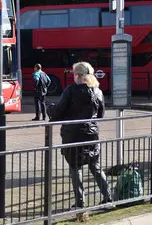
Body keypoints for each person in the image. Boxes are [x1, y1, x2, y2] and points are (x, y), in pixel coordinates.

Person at [48, 62, 112, 213]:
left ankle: (80, 202)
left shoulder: (70, 90)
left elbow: (58, 112)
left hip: (73, 135)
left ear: (78, 74)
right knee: (95, 166)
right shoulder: (97, 91)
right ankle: (108, 197)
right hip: (91, 135)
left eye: (74, 73)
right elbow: (101, 114)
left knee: (75, 168)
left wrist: (49, 108)